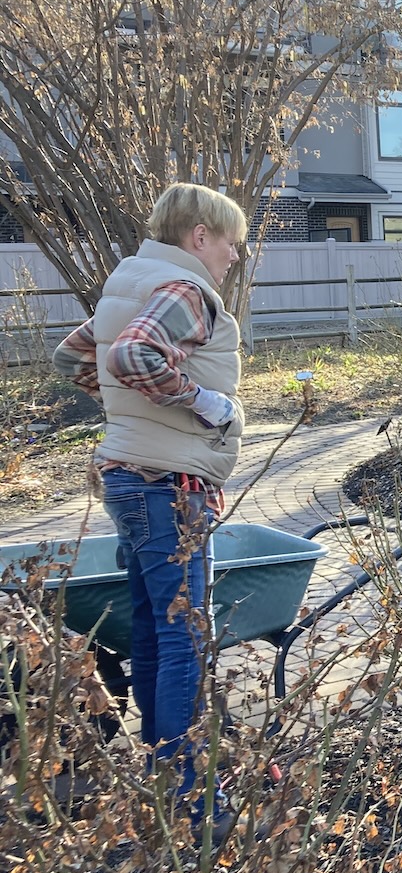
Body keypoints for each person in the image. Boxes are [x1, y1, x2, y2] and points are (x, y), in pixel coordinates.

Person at [51, 182, 248, 817]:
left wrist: (125, 406)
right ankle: (191, 800)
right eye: (231, 243)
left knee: (157, 637)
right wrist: (198, 401)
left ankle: (166, 782)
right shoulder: (185, 289)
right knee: (185, 642)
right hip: (168, 487)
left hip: (130, 478)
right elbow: (136, 354)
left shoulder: (134, 281)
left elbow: (75, 355)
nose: (234, 256)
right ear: (200, 238)